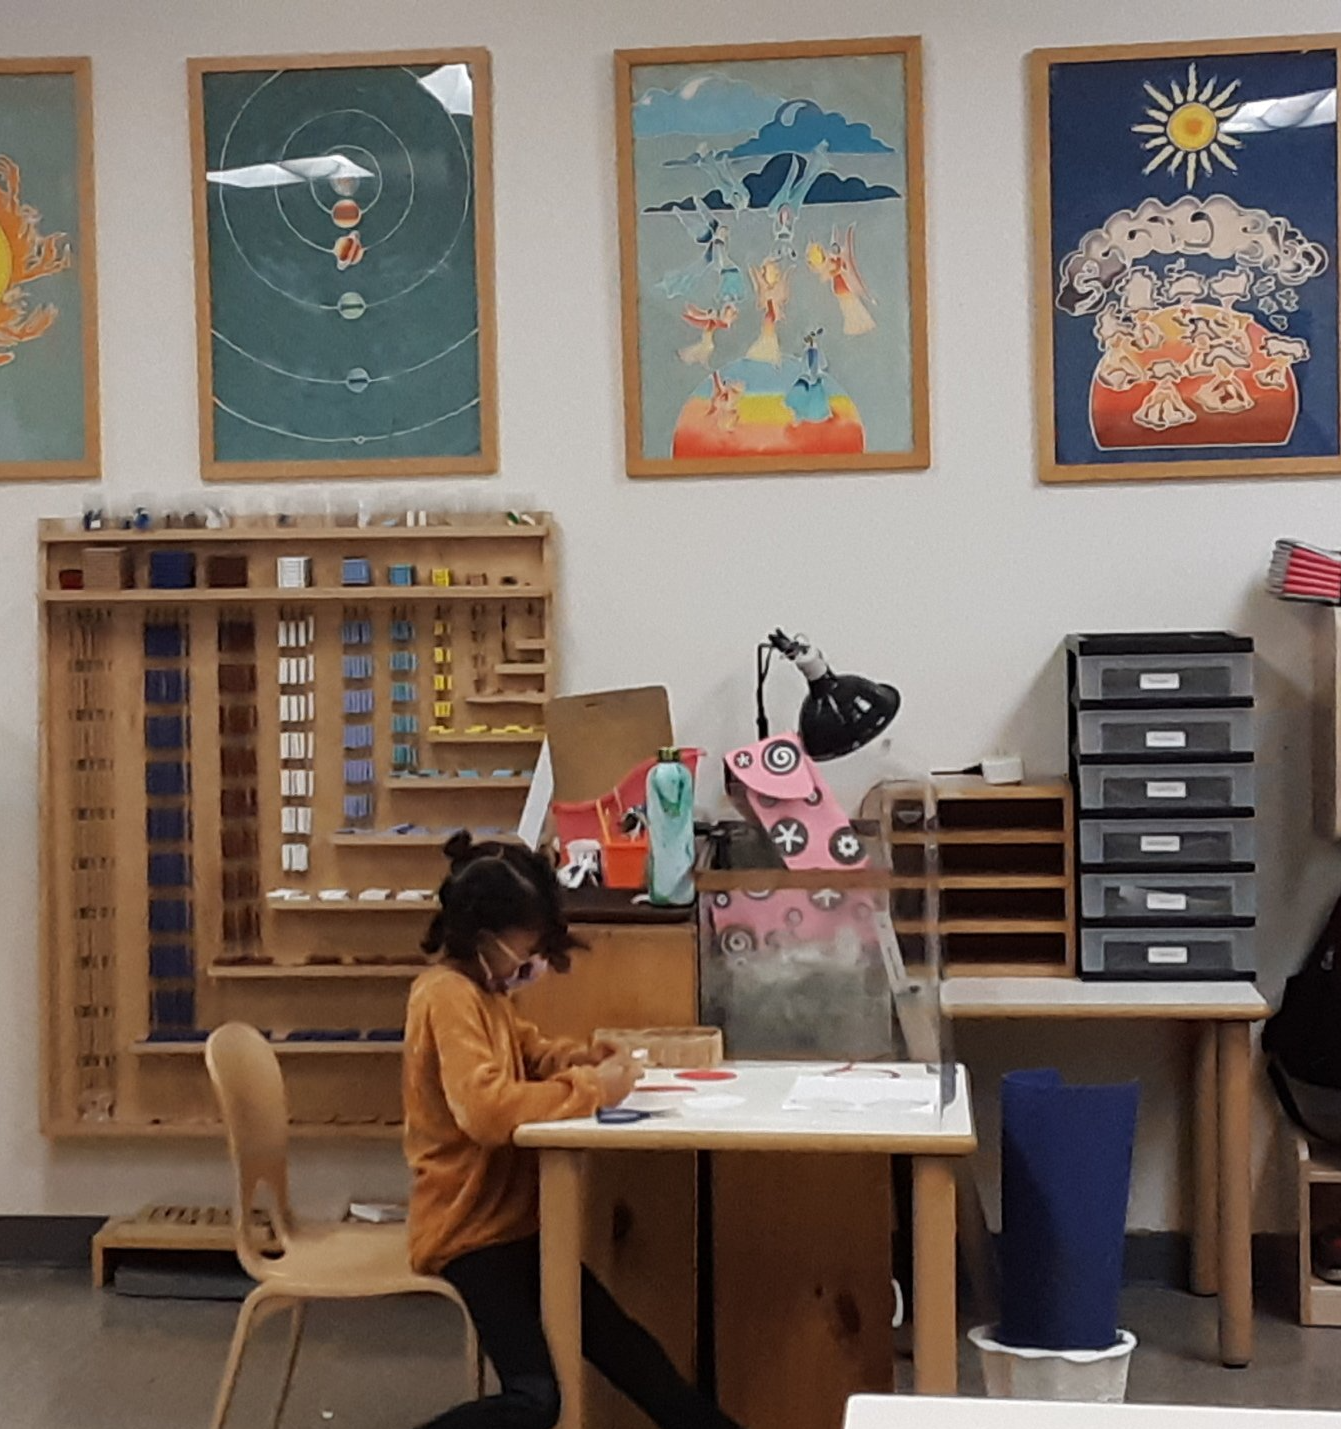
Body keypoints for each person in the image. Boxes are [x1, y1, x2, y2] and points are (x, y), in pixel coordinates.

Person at [405, 831, 744, 1429]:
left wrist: (583, 1058)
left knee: (627, 1349)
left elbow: (531, 1055)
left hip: (517, 1226)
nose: (534, 960)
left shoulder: (486, 993)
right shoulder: (445, 997)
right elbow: (487, 1112)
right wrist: (596, 1089)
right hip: (471, 1233)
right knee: (536, 1400)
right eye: (528, 946)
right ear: (485, 937)